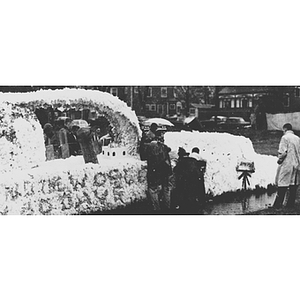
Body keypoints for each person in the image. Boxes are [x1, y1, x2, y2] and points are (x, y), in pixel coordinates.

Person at [273, 123, 300, 209]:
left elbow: (283, 152)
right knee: (293, 184)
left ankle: (278, 205)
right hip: (296, 164)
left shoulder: (285, 138)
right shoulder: (298, 138)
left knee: (282, 184)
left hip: (287, 164)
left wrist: (279, 160)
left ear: (285, 129)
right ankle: (290, 205)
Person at [144, 130, 172, 212]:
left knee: (153, 190)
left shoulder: (150, 146)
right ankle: (168, 208)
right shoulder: (163, 146)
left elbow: (144, 156)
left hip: (154, 171)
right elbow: (169, 150)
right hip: (165, 170)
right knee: (166, 189)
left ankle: (156, 209)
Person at [173, 146, 207, 213]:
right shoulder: (193, 160)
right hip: (193, 178)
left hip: (183, 180)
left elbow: (175, 170)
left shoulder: (181, 162)